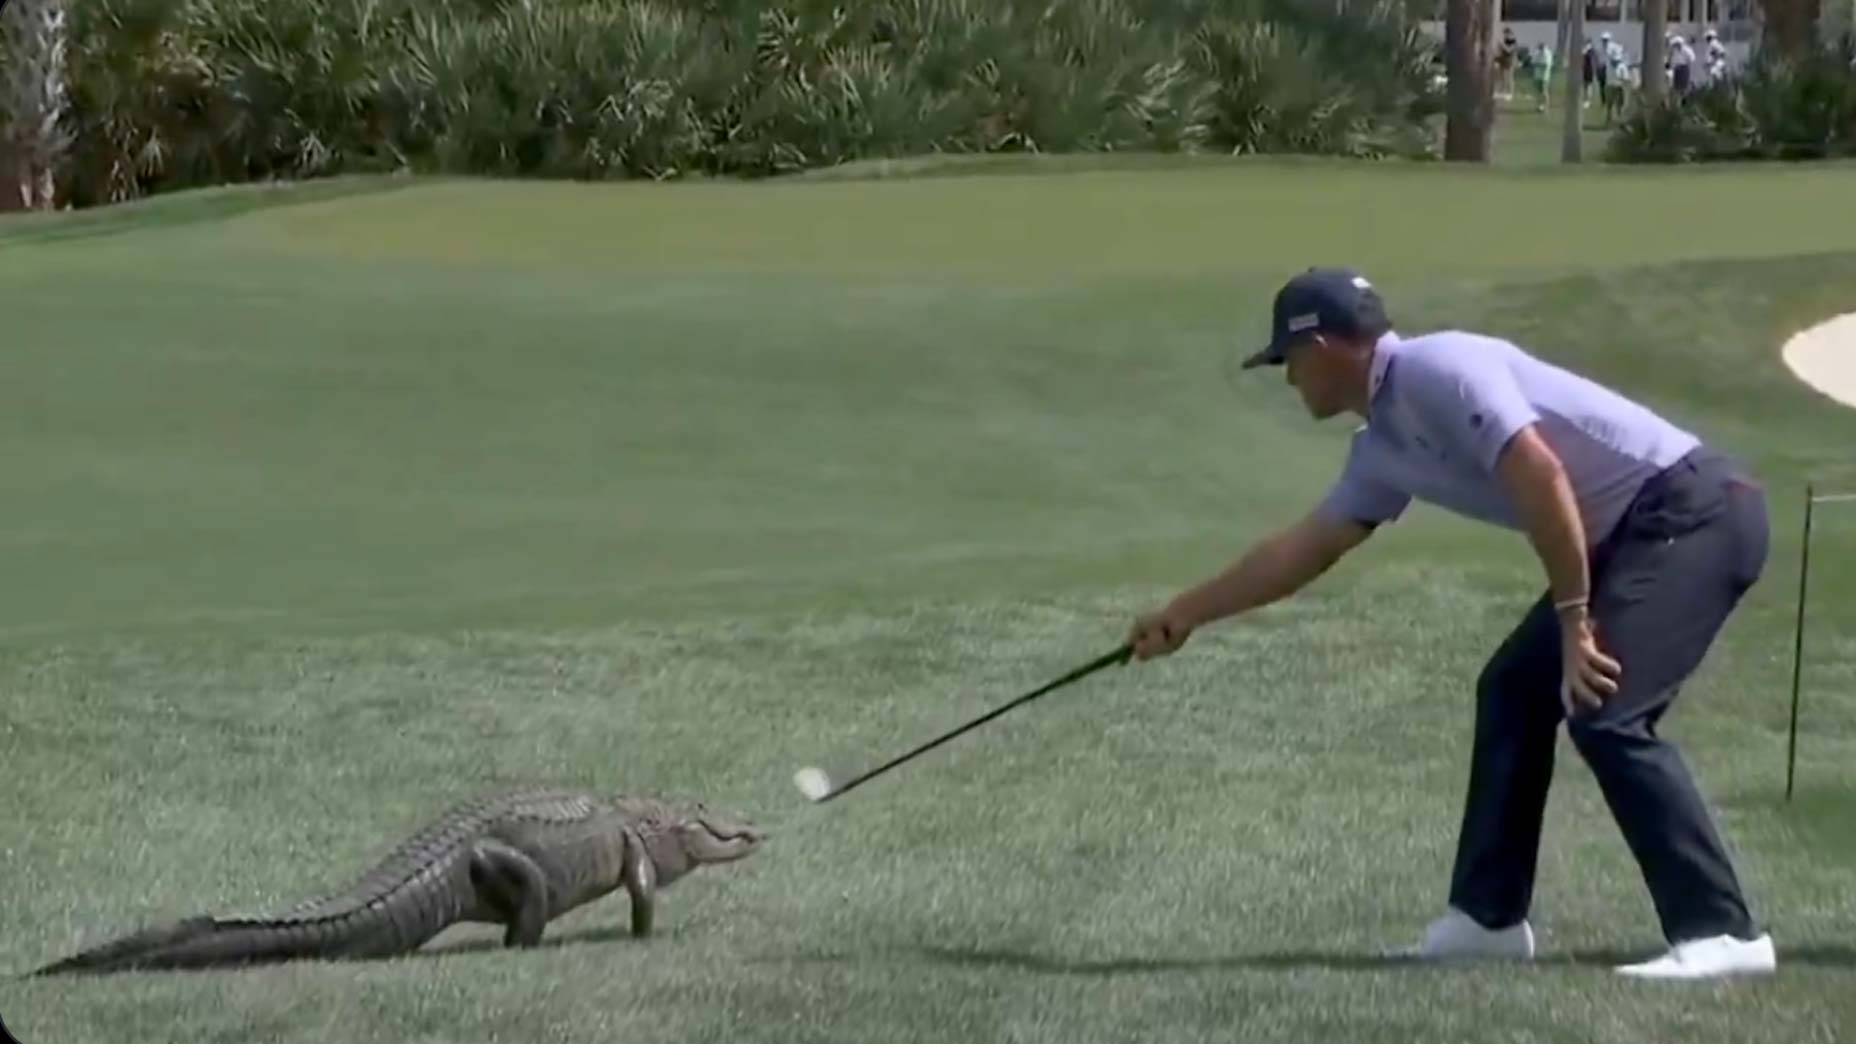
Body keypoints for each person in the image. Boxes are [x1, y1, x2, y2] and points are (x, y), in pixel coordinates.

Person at [1128, 268, 1778, 981]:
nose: (1289, 380)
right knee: (1512, 693)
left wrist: (1572, 622)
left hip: (1696, 510)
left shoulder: (1439, 367)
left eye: (1289, 360)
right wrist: (1185, 613)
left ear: (1323, 346)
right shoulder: (1382, 447)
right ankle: (1487, 921)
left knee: (1606, 710)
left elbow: (1541, 475)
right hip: (1631, 537)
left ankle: (1724, 933)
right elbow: (1303, 550)